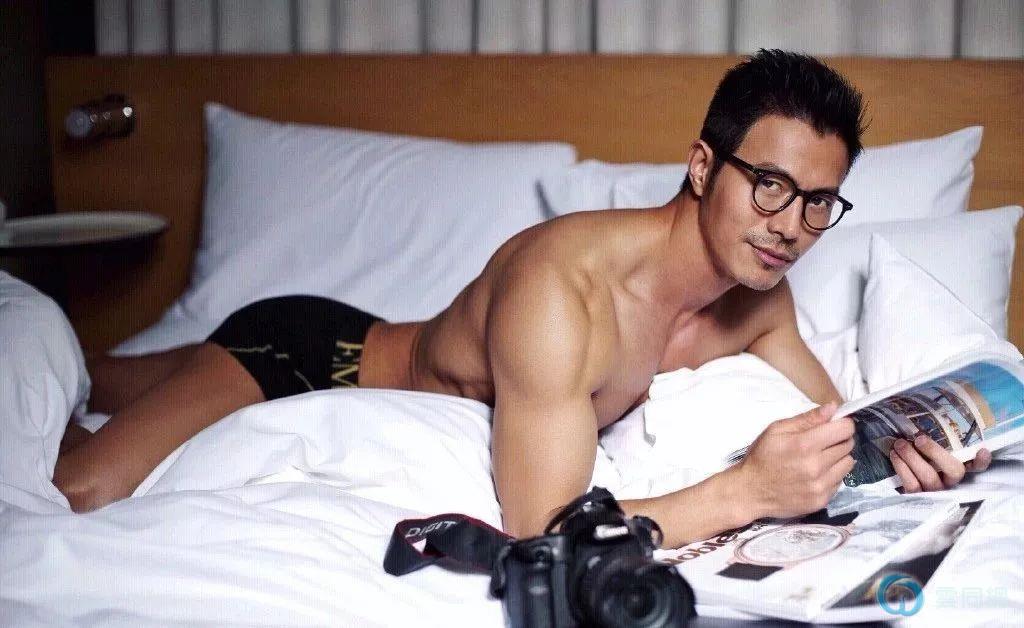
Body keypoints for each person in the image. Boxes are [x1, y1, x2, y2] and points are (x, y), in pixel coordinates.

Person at [54, 50, 991, 548]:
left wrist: (911, 452)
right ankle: (56, 370)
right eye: (771, 186)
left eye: (821, 201)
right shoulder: (561, 287)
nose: (792, 226)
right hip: (305, 355)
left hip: (350, 338)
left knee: (114, 379)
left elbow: (839, 426)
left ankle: (90, 373)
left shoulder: (761, 302)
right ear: (704, 166)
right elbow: (543, 527)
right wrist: (746, 490)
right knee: (83, 483)